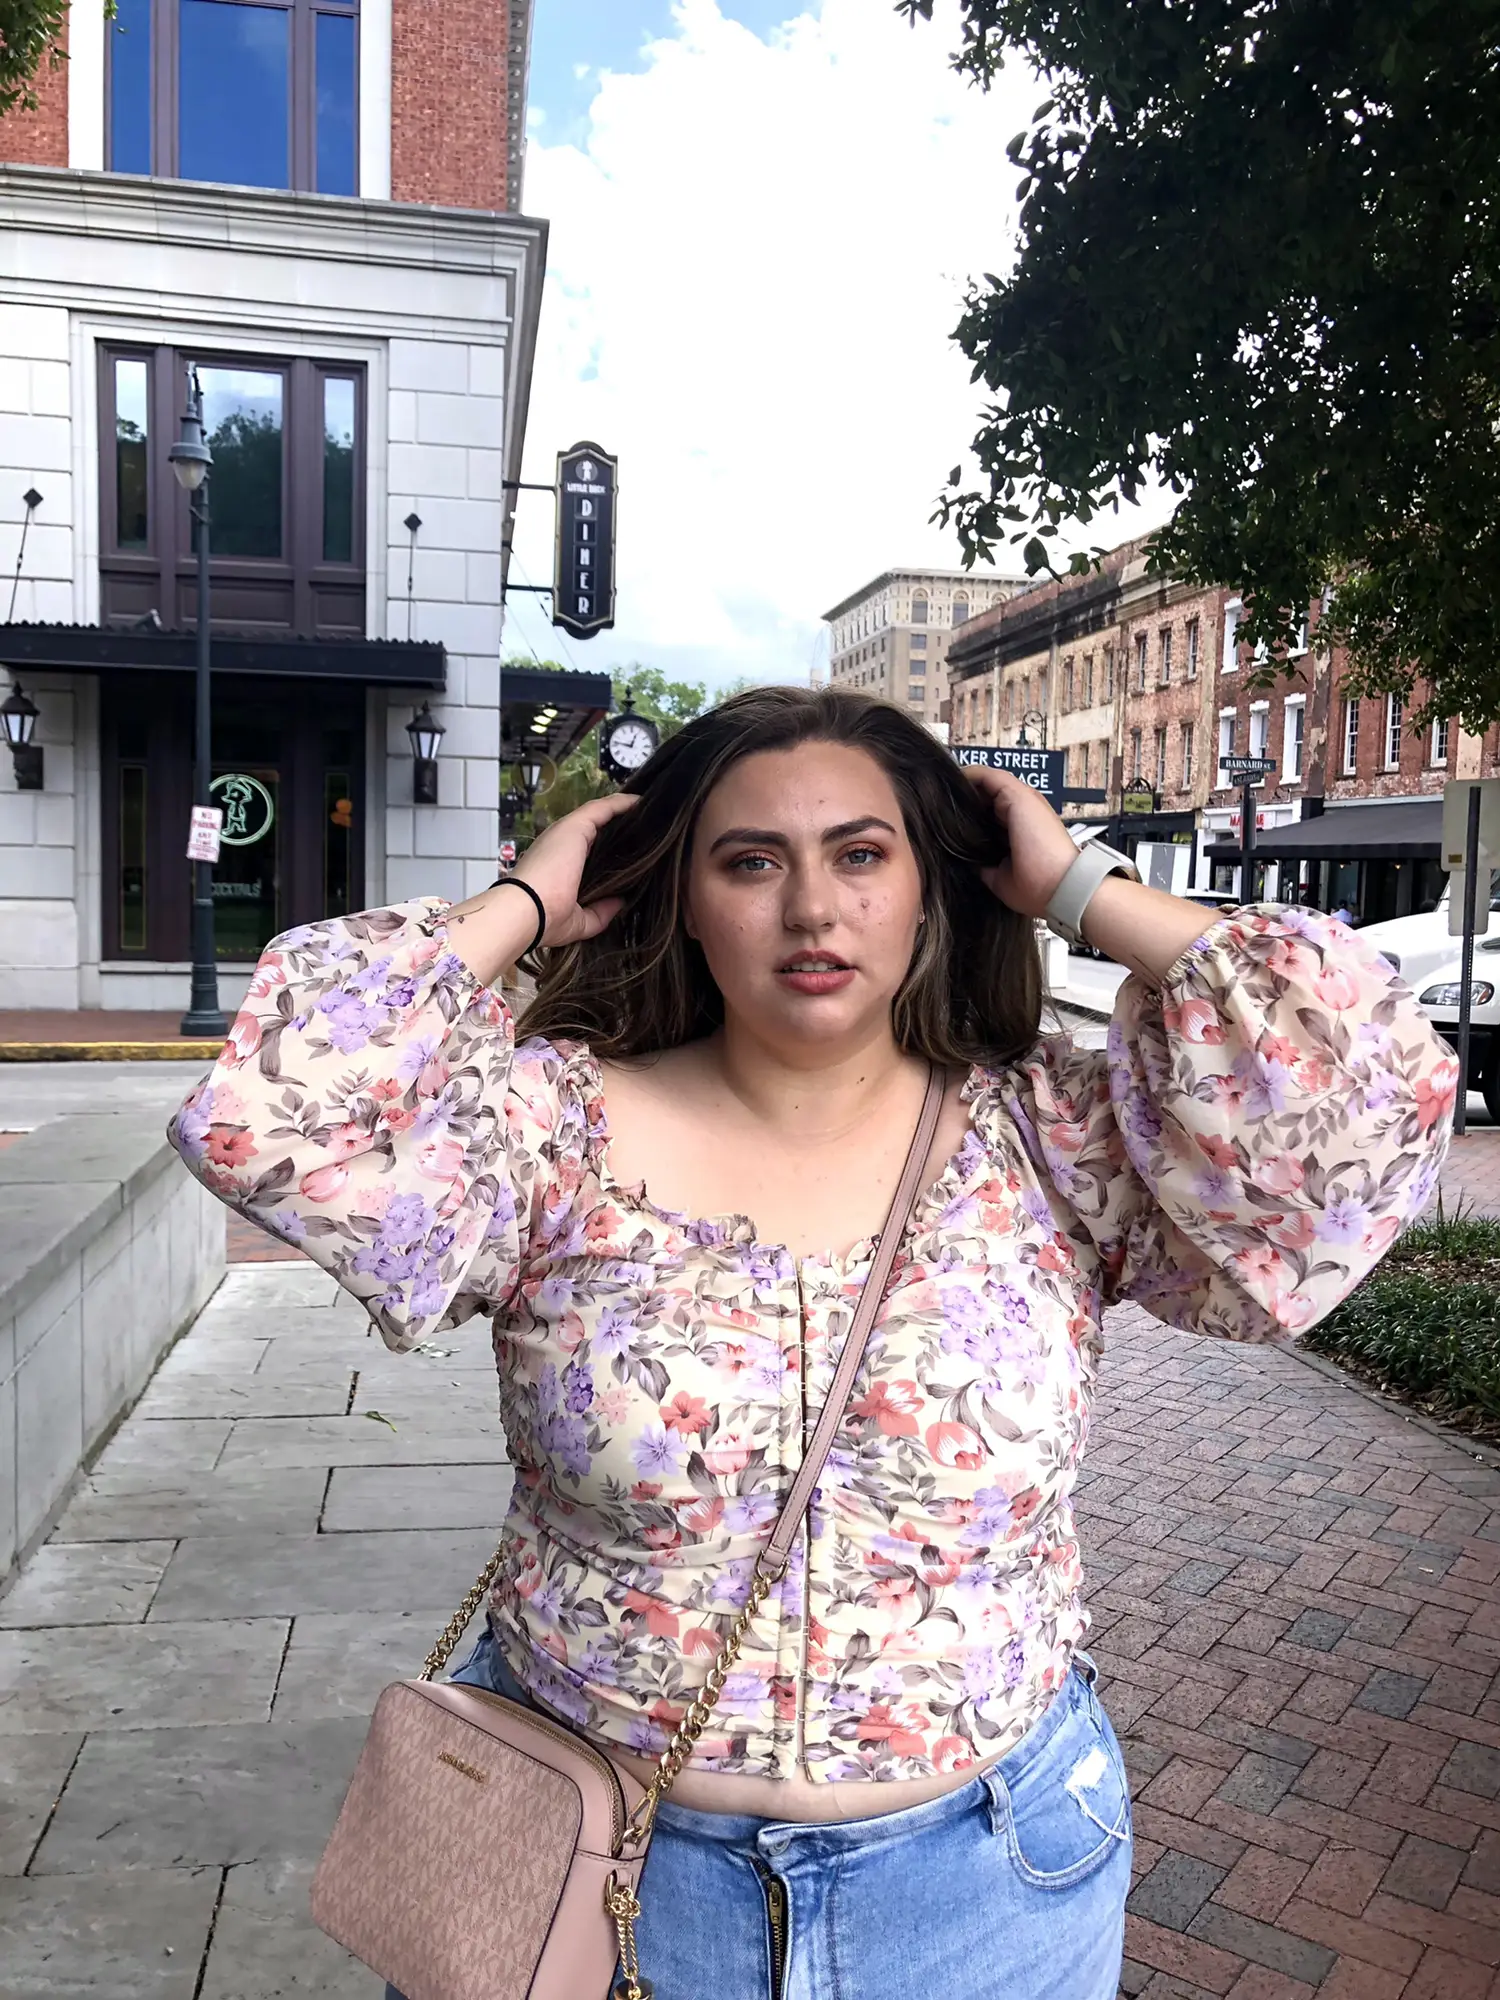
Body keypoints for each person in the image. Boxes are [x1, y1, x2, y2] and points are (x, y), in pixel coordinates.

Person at [170, 687, 1454, 2000]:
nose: (811, 909)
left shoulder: (1051, 1138)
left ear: (931, 887)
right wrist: (533, 900)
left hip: (988, 1892)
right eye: (749, 861)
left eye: (860, 853)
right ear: (675, 890)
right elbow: (265, 1117)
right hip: (586, 1881)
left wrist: (1078, 884)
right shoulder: (550, 1135)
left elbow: (1364, 1101)